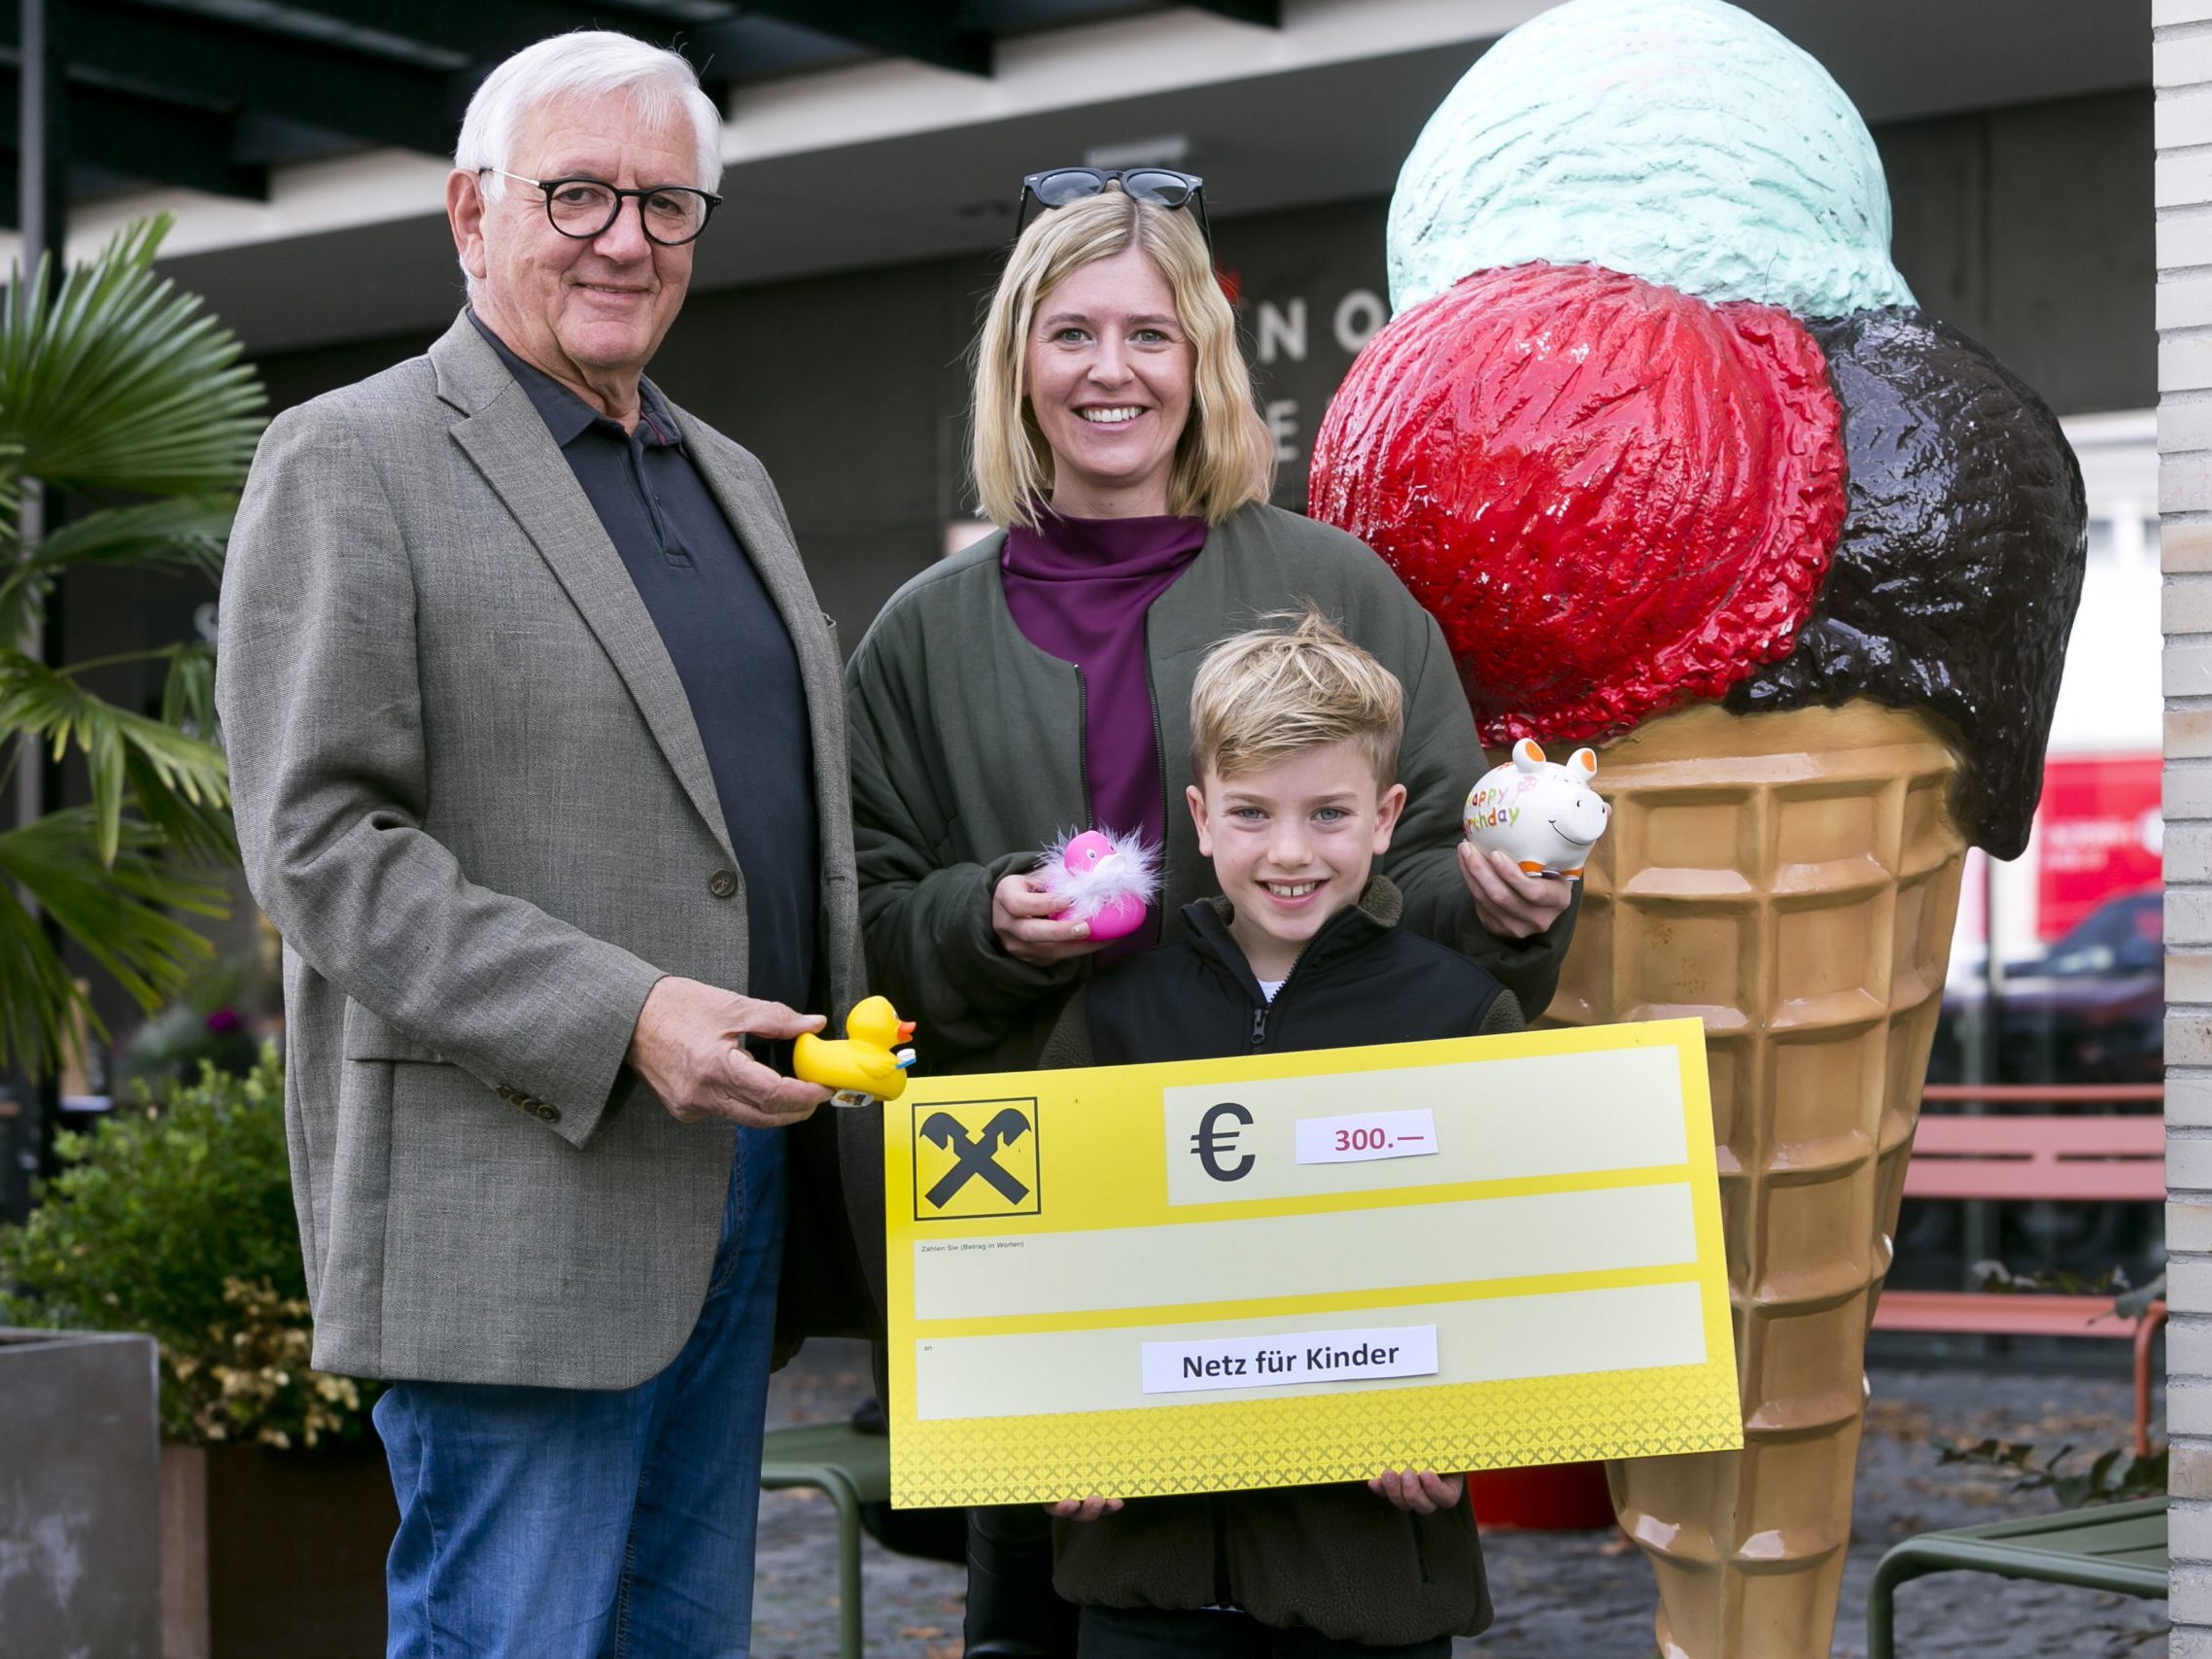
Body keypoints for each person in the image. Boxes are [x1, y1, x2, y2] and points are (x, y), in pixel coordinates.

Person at [842, 172, 1576, 1653]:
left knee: (1344, 1588)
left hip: (1331, 1213)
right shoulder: (918, 637)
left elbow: (1423, 870)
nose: (1111, 370)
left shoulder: (1333, 587)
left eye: (1151, 332)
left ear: (1203, 364)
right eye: (1070, 334)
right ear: (1018, 363)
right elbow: (859, 912)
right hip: (1059, 1228)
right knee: (1065, 1615)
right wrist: (987, 920)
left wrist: (1503, 900)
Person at [215, 31, 870, 1656]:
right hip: (513, 1203)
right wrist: (623, 1013)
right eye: (575, 192)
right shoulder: (352, 457)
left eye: (665, 201)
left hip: (737, 1187)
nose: (625, 236)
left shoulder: (730, 477)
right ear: (471, 212)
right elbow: (321, 842)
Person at [1036, 609, 1515, 1655]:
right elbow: (1053, 1256)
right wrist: (1060, 1426)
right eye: (1251, 813)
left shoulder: (1459, 1012)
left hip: (1366, 1573)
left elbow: (1502, 1264)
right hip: (1142, 1579)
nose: (1288, 852)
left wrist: (1458, 1430)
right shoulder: (1115, 1012)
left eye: (1328, 813)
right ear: (1200, 817)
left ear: (1386, 816)